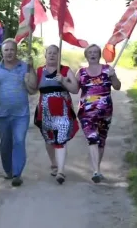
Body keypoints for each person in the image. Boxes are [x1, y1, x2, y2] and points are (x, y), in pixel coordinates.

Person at [0, 39, 37, 186]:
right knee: (5, 144)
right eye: (6, 50)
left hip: (21, 114)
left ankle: (17, 173)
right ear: (2, 52)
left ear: (16, 51)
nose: (9, 52)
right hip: (2, 113)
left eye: (12, 49)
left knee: (19, 141)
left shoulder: (25, 67)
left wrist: (32, 70)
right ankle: (8, 170)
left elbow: (33, 89)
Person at [33, 45, 80, 184]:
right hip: (45, 110)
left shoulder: (65, 70)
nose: (52, 55)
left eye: (55, 53)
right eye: (50, 53)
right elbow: (33, 87)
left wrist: (64, 81)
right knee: (49, 139)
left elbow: (76, 89)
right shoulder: (40, 70)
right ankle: (54, 164)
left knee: (61, 138)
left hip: (63, 110)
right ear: (45, 55)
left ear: (59, 55)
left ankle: (61, 171)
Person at [76, 44, 121, 184]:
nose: (93, 54)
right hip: (86, 113)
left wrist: (113, 76)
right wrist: (63, 80)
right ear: (86, 55)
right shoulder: (81, 72)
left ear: (100, 54)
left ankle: (97, 169)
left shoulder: (108, 69)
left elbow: (118, 86)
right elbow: (73, 89)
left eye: (96, 52)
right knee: (92, 138)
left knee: (101, 141)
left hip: (105, 112)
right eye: (90, 52)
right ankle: (96, 171)